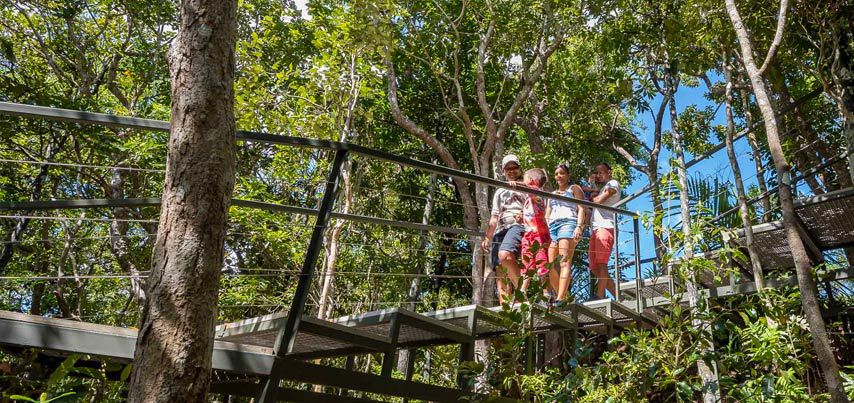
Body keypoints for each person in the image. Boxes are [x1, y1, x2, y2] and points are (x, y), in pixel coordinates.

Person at [481, 155, 525, 304]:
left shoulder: (527, 186)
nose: (511, 171)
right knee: (500, 270)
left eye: (514, 168)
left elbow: (537, 207)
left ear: (519, 169)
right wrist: (487, 237)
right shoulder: (500, 191)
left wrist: (524, 215)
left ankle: (522, 294)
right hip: (501, 229)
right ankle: (505, 310)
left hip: (518, 225)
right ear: (504, 171)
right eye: (508, 168)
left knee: (505, 255)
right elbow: (494, 217)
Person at [545, 163, 587, 302]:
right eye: (557, 173)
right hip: (552, 227)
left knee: (564, 262)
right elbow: (547, 214)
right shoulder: (551, 194)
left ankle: (560, 298)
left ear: (568, 175)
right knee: (548, 265)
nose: (559, 176)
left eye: (562, 173)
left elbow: (581, 208)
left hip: (568, 223)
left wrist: (579, 227)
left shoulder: (574, 188)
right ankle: (564, 297)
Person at [588, 163, 621, 299]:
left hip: (606, 226)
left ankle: (600, 296)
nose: (599, 175)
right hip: (596, 228)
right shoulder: (602, 188)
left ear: (609, 172)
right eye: (598, 173)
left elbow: (597, 200)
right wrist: (593, 185)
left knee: (601, 263)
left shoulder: (613, 183)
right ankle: (618, 296)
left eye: (602, 172)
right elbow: (595, 197)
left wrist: (593, 194)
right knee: (594, 266)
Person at [519, 168, 551, 292]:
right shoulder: (529, 199)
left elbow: (528, 187)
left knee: (541, 260)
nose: (523, 182)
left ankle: (546, 292)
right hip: (529, 233)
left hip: (538, 233)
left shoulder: (536, 191)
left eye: (524, 179)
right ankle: (522, 291)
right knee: (527, 261)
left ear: (531, 181)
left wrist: (515, 184)